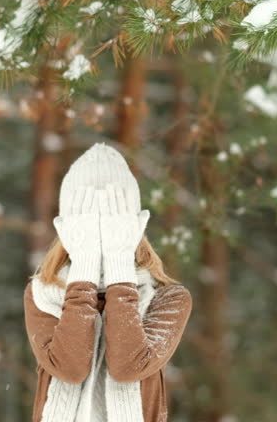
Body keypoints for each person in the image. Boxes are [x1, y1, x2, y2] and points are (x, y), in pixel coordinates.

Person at [24, 142, 193, 422]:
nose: (101, 231)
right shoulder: (42, 294)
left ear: (134, 227)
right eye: (90, 223)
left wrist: (118, 260)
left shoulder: (168, 298)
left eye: (112, 220)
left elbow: (128, 366)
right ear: (67, 230)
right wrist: (85, 262)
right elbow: (70, 367)